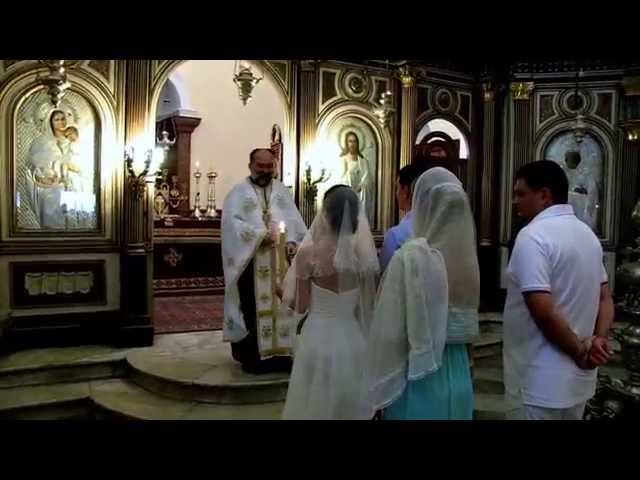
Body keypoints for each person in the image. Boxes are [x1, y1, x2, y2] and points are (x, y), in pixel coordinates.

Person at [503, 160, 614, 420]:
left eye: (520, 193)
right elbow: (605, 298)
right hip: (578, 381)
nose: (515, 201)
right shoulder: (587, 235)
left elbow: (543, 310)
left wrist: (580, 352)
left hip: (538, 382)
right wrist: (599, 339)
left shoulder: (533, 236)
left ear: (544, 195)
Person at [369, 167, 479, 420]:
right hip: (460, 375)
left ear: (422, 205)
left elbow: (389, 331)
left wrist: (378, 388)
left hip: (417, 377)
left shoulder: (411, 257)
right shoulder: (469, 263)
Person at [282, 185, 379, 419]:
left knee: (314, 401)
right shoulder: (364, 254)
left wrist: (279, 290)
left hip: (318, 337)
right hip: (353, 338)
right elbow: (366, 304)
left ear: (324, 214)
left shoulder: (308, 253)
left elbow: (301, 306)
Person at [221, 148, 307, 374]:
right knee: (252, 309)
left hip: (280, 265)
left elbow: (294, 222)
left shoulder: (282, 191)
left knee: (283, 308)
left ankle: (281, 355)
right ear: (251, 165)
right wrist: (259, 235)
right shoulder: (238, 193)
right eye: (261, 166)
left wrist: (292, 242)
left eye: (270, 166)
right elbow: (231, 225)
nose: (266, 171)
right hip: (251, 265)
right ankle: (254, 359)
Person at [379, 163, 427, 271]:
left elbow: (384, 275)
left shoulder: (395, 235)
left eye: (397, 187)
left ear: (405, 190)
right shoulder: (435, 227)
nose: (396, 193)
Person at [339, 131, 374, 225]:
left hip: (360, 194)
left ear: (357, 143)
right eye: (350, 141)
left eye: (354, 141)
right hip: (348, 192)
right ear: (346, 143)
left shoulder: (363, 161)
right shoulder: (343, 160)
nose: (352, 144)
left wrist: (360, 186)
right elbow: (341, 177)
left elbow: (367, 177)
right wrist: (349, 185)